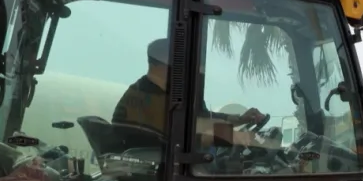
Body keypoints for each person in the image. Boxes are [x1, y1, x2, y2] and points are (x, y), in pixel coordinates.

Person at [114, 37, 266, 144]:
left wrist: (240, 119)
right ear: (163, 63)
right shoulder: (146, 96)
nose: (186, 67)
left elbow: (200, 116)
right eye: (181, 61)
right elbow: (187, 135)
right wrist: (236, 137)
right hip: (156, 168)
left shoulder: (166, 92)